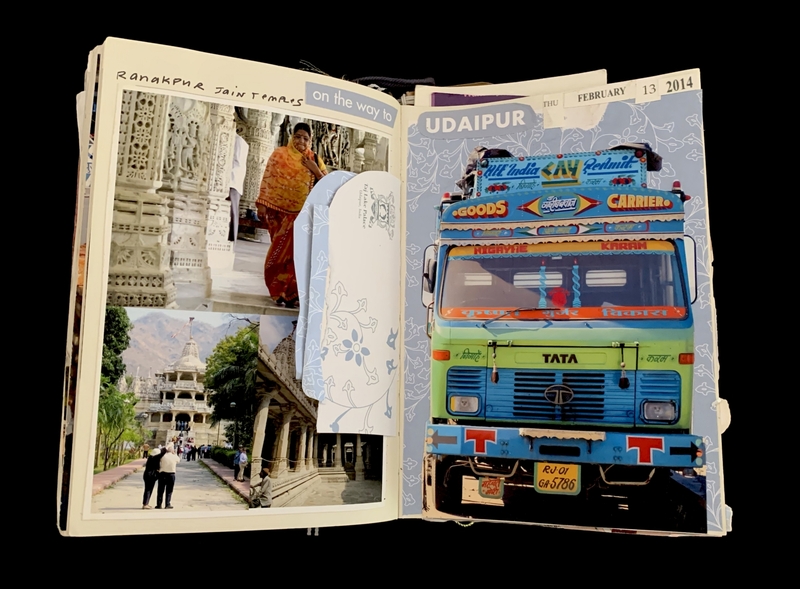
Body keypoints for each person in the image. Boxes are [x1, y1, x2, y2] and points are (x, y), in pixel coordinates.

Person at [257, 122, 326, 308]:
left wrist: (315, 169)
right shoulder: (279, 155)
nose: (301, 141)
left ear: (310, 140)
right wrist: (263, 204)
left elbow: (327, 185)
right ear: (291, 137)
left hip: (304, 217)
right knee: (278, 256)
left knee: (299, 256)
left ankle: (293, 294)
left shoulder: (314, 158)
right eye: (298, 136)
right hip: (281, 216)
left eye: (305, 138)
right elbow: (268, 179)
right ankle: (278, 291)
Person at [156, 442, 180, 509]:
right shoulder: (174, 456)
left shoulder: (163, 456)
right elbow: (178, 460)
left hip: (162, 474)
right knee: (169, 490)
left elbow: (159, 456)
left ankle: (159, 504)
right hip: (171, 474)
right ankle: (167, 504)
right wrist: (174, 453)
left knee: (160, 490)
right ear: (172, 450)